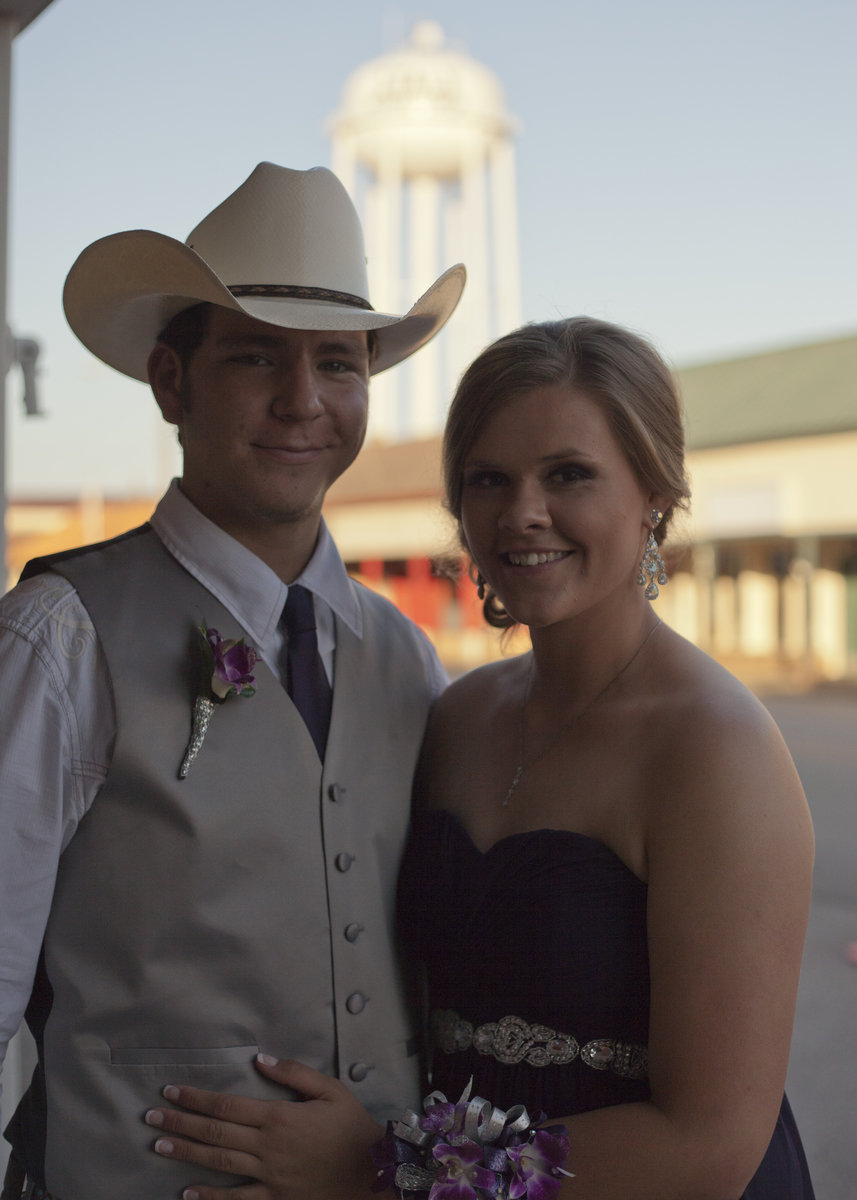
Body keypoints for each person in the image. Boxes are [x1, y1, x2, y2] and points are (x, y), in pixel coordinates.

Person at [145, 317, 816, 1200]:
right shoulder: (457, 716)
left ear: (653, 492)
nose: (522, 513)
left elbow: (709, 1143)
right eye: (488, 480)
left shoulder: (712, 749)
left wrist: (385, 1170)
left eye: (568, 475)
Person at [0, 162, 465, 1200]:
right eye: (257, 358)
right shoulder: (58, 636)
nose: (303, 402)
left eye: (337, 365)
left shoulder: (408, 659)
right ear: (173, 382)